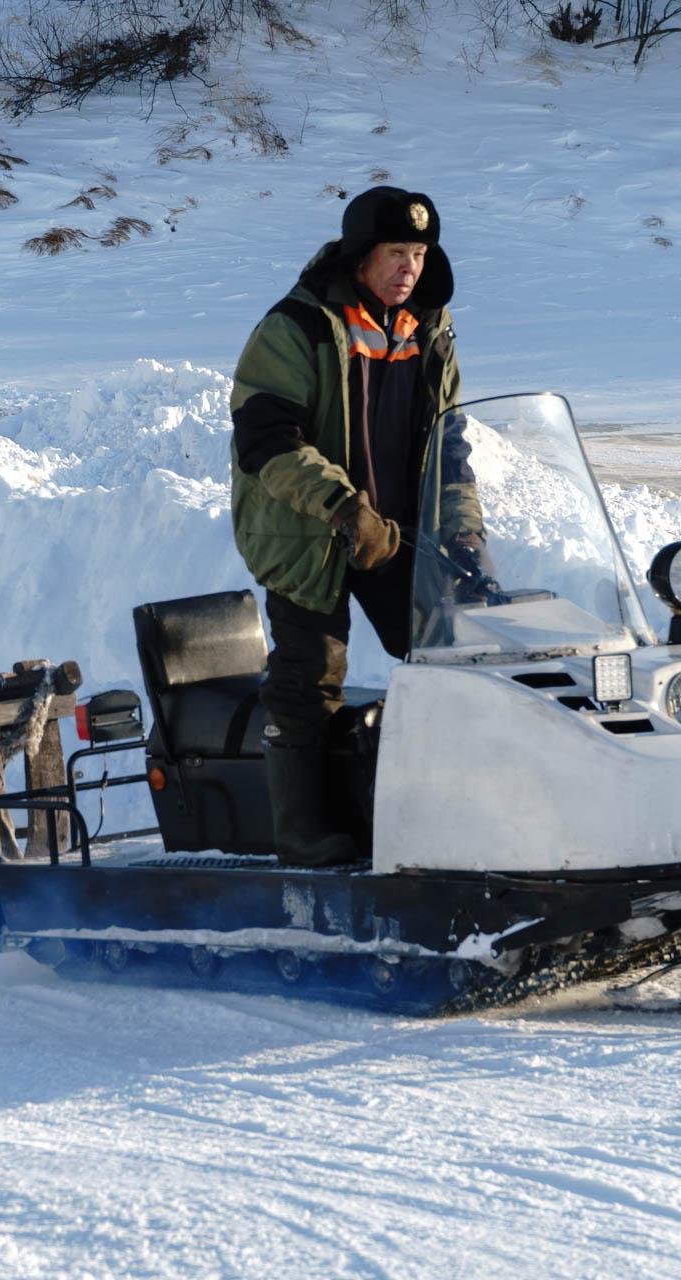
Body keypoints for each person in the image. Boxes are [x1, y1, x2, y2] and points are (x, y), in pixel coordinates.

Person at [229, 186, 484, 867]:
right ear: (359, 256)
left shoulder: (430, 328)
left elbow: (449, 446)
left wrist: (464, 531)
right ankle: (305, 835)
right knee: (310, 673)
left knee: (458, 654)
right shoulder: (298, 328)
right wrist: (344, 508)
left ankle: (462, 812)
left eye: (420, 254)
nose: (410, 269)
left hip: (396, 531)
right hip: (307, 530)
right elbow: (266, 440)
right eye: (396, 253)